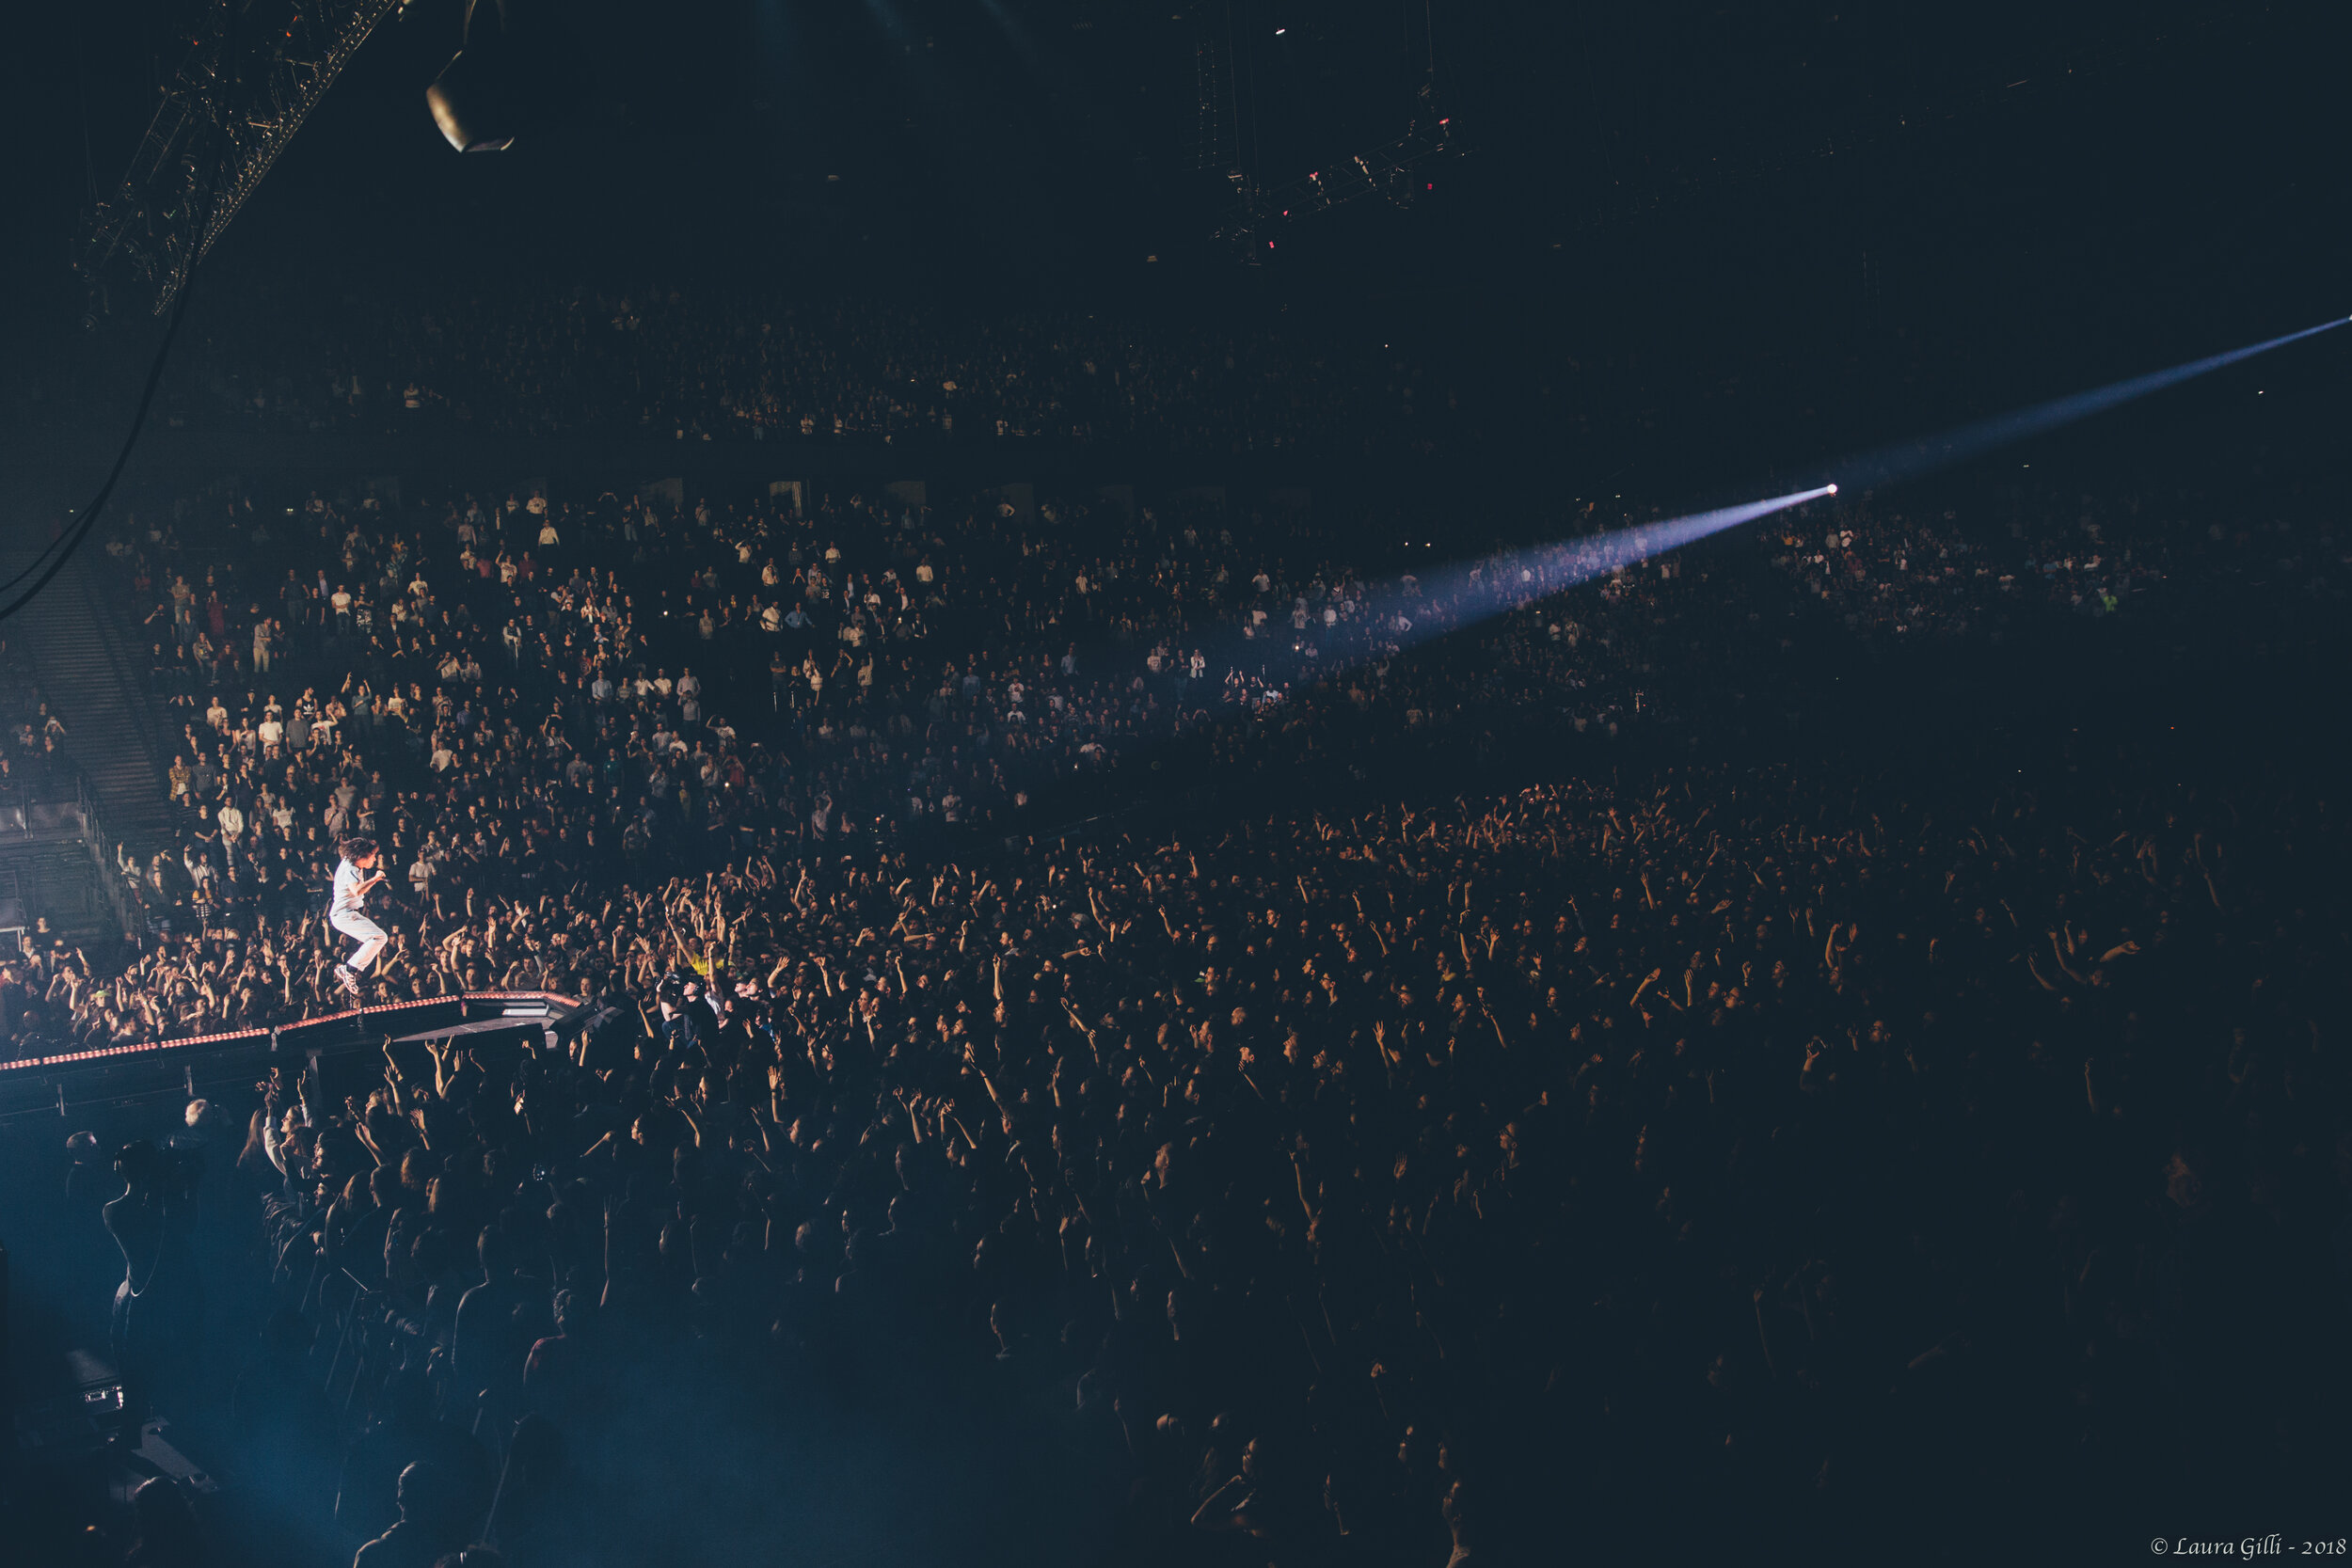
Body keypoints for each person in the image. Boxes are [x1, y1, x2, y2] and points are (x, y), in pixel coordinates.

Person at [330, 835, 389, 1001]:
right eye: (372, 856)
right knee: (379, 937)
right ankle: (349, 969)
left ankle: (350, 969)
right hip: (343, 915)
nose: (375, 859)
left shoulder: (352, 864)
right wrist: (375, 879)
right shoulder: (350, 868)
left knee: (379, 938)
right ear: (362, 856)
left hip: (349, 913)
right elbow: (357, 891)